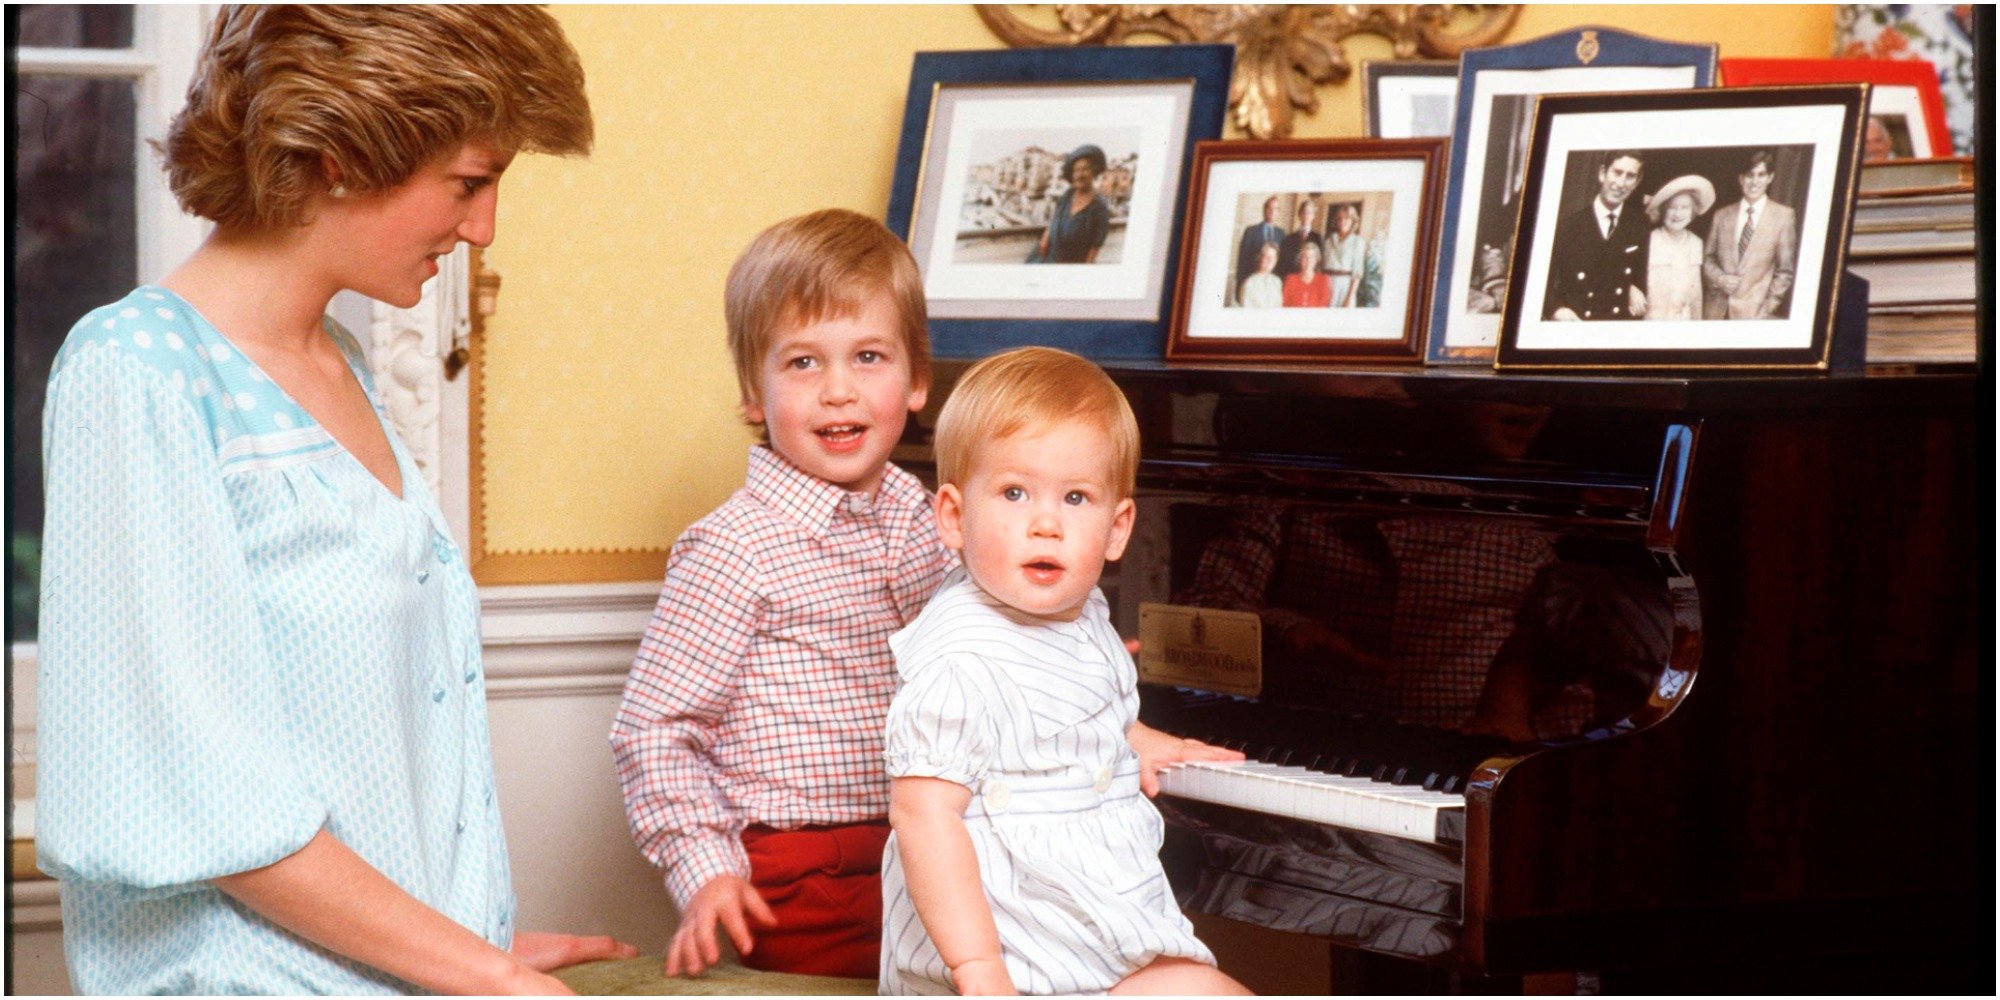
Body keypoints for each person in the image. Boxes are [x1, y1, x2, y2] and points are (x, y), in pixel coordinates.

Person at [34, 7, 636, 993]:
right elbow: (205, 801)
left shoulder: (343, 365)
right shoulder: (136, 372)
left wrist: (476, 946)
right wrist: (492, 979)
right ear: (346, 153)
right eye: (470, 182)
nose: (482, 227)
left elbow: (354, 746)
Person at [608, 209, 954, 980]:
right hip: (805, 866)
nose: (838, 392)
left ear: (918, 379)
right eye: (803, 363)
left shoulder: (936, 524)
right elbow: (653, 730)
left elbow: (987, 661)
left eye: (868, 357)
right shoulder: (732, 547)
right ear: (753, 392)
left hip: (940, 838)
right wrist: (706, 868)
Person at [878, 347, 1249, 996]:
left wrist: (1137, 737)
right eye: (1015, 492)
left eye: (1076, 497)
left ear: (1116, 528)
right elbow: (923, 818)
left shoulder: (1083, 618)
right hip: (1001, 955)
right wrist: (978, 968)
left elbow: (1070, 715)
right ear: (954, 517)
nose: (1046, 523)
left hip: (1097, 934)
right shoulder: (960, 659)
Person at [1544, 150, 1651, 321]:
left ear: (1636, 183)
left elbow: (1640, 279)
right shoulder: (1568, 226)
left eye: (1630, 176)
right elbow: (1542, 283)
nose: (1621, 183)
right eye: (1617, 172)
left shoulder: (1639, 225)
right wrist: (1557, 310)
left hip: (1617, 327)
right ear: (1602, 173)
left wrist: (1630, 286)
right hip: (1576, 324)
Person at [1702, 149, 1798, 320]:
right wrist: (1720, 278)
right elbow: (1708, 258)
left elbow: (1785, 271)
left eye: (1761, 175)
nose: (1754, 181)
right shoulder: (1721, 215)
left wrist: (1766, 309)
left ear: (1770, 177)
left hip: (1754, 314)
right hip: (1715, 312)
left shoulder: (1784, 216)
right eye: (1749, 175)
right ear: (1741, 179)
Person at [1643, 174, 1715, 322]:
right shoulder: (1649, 240)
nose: (1677, 214)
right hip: (1652, 319)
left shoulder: (1696, 243)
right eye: (1672, 208)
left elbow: (1696, 293)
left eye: (1684, 207)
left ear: (1693, 211)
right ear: (1663, 211)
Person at [1030, 144, 1111, 263]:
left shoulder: (1099, 206)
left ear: (1094, 172)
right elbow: (1055, 218)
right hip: (1047, 256)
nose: (1080, 175)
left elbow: (1096, 245)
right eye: (1076, 170)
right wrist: (1045, 238)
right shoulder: (1067, 195)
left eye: (1085, 169)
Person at [1232, 196, 1287, 303]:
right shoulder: (1251, 231)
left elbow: (1281, 263)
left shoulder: (1282, 234)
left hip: (1271, 286)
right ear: (1264, 210)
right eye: (1269, 208)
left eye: (1275, 209)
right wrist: (1239, 285)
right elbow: (1242, 260)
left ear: (1278, 212)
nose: (1271, 211)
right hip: (1252, 284)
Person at [1324, 203, 1366, 308]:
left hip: (1345, 286)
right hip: (1327, 283)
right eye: (1339, 218)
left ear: (1352, 221)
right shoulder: (1329, 240)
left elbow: (1357, 272)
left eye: (1347, 218)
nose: (1342, 221)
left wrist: (1350, 296)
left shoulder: (1357, 241)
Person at [1276, 197, 1325, 279]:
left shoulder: (1318, 238)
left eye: (1309, 213)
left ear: (1313, 216)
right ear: (1299, 214)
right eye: (1304, 212)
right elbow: (1283, 263)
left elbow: (1320, 264)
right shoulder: (1288, 239)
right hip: (1292, 279)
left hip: (1310, 279)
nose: (1306, 215)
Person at [1282, 240, 1334, 307]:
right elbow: (1285, 304)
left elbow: (1323, 305)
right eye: (1305, 257)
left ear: (1316, 260)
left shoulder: (1323, 280)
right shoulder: (1291, 279)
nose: (1308, 261)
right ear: (1300, 259)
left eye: (1312, 257)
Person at [1237, 241, 1283, 309]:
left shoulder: (1277, 281)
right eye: (1267, 256)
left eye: (1273, 257)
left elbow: (1279, 307)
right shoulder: (1249, 283)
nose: (1270, 260)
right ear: (1260, 258)